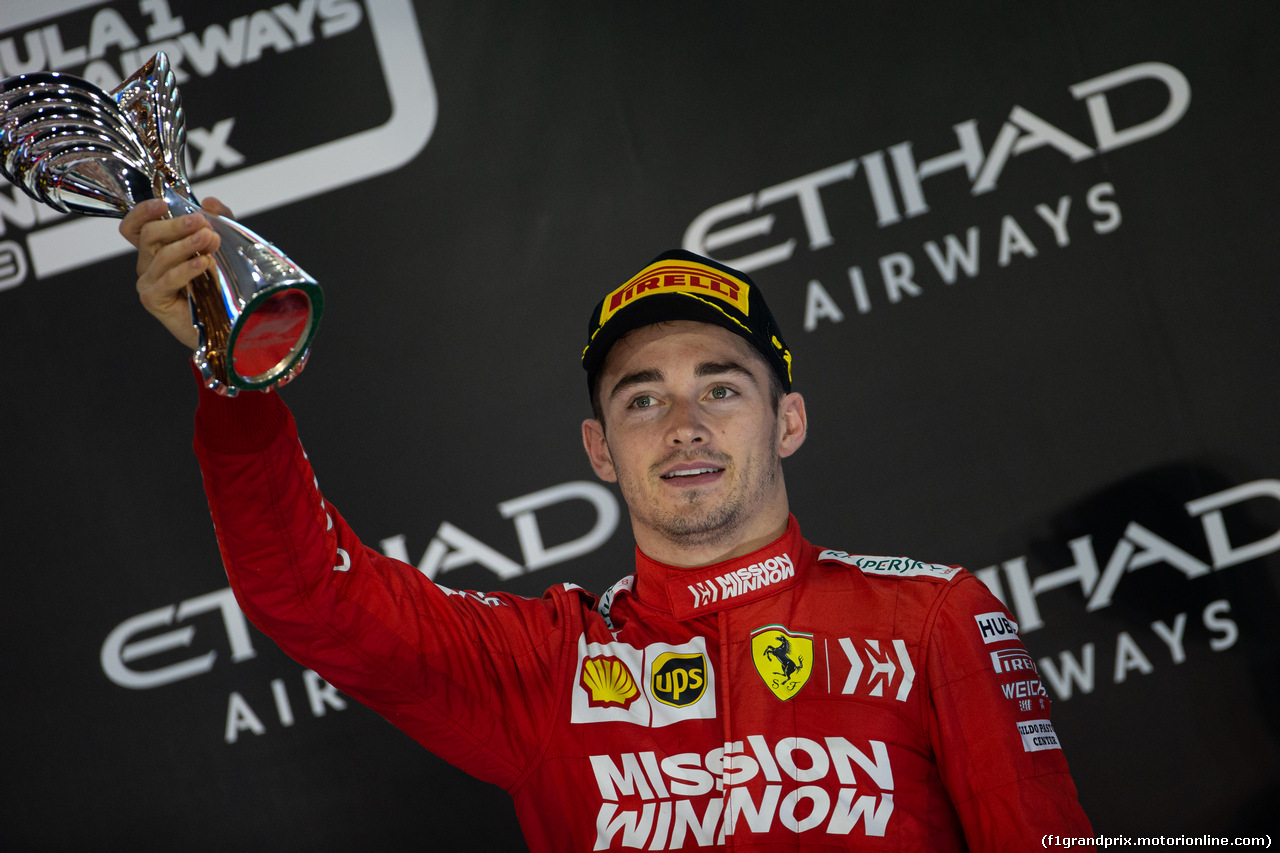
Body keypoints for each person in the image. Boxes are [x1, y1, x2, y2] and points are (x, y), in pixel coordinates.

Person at [123, 197, 1092, 851]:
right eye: (641, 400)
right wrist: (236, 380)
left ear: (786, 419)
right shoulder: (544, 668)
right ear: (599, 448)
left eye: (721, 386)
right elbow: (314, 596)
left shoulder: (930, 616)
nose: (684, 424)